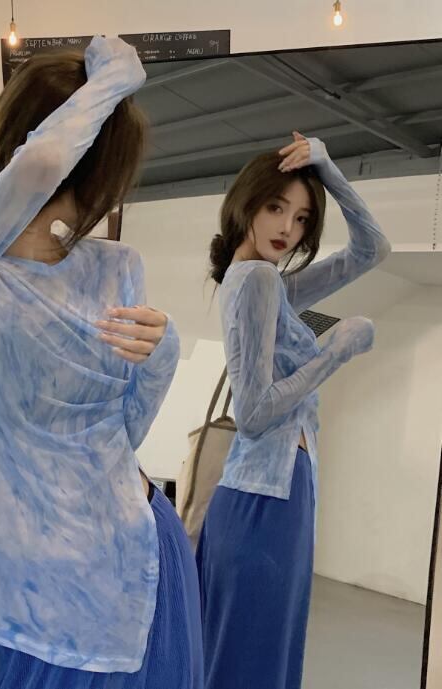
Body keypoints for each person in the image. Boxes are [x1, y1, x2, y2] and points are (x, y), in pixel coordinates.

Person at [0, 37, 202, 689]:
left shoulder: (116, 267)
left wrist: (162, 353)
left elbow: (124, 435)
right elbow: (40, 165)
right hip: (33, 598)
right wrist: (111, 80)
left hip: (140, 559)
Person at [196, 132, 391, 689]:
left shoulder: (266, 284)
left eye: (303, 219)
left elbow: (372, 250)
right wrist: (337, 350)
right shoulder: (258, 279)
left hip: (269, 493)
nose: (288, 227)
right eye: (275, 207)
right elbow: (254, 412)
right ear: (247, 204)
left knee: (243, 658)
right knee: (255, 664)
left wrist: (326, 168)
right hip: (268, 499)